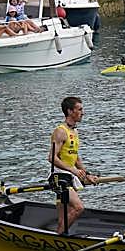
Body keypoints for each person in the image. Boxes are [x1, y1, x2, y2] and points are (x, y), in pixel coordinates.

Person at [49, 96, 100, 234]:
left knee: (63, 218)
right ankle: (58, 238)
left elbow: (76, 158)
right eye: (80, 109)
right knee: (78, 208)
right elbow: (51, 158)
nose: (83, 113)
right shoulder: (60, 131)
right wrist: (73, 170)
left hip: (70, 177)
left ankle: (58, 237)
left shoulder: (74, 132)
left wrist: (87, 174)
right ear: (70, 111)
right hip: (59, 178)